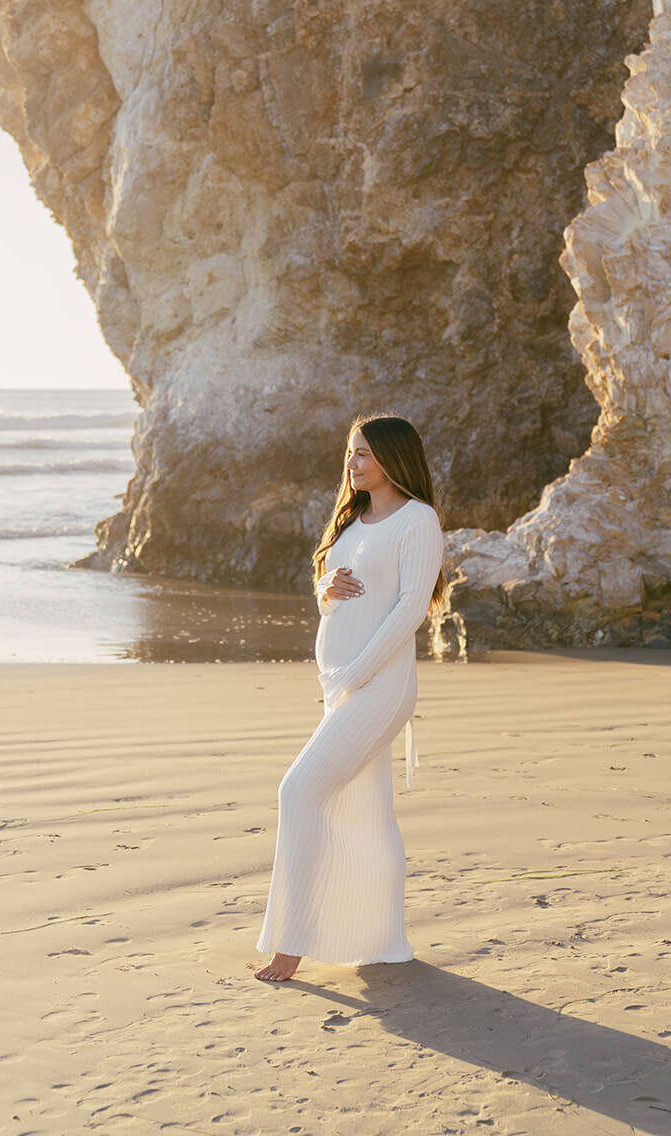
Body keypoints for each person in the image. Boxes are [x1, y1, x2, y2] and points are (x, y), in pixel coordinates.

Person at [254, 414, 446, 983]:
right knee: (364, 810)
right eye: (350, 453)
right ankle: (379, 939)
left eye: (362, 453)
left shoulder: (419, 520)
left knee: (299, 790)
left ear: (392, 458)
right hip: (342, 682)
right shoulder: (353, 520)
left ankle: (291, 942)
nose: (352, 462)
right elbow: (334, 593)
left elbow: (411, 607)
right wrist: (323, 590)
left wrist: (357, 674)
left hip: (378, 687)